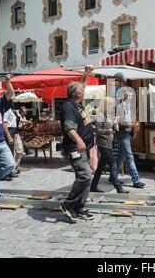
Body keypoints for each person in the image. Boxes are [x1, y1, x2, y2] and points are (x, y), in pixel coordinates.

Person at [59, 65, 95, 222]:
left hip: (83, 148)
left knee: (86, 178)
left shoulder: (76, 103)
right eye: (82, 90)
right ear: (77, 94)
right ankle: (68, 204)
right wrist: (79, 140)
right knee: (85, 176)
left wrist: (86, 74)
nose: (85, 90)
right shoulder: (69, 107)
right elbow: (69, 127)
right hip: (75, 148)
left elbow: (82, 85)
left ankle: (79, 208)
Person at [91, 97, 130, 194]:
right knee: (113, 165)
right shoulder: (100, 115)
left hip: (108, 143)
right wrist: (108, 131)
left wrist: (118, 124)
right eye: (110, 105)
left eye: (112, 105)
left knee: (100, 167)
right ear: (105, 105)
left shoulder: (109, 115)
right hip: (103, 144)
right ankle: (119, 188)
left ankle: (93, 186)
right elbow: (98, 131)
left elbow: (114, 127)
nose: (112, 107)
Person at [114, 88, 146, 189]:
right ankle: (136, 180)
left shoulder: (131, 106)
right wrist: (127, 125)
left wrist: (134, 123)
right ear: (124, 95)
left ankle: (113, 176)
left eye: (132, 96)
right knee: (129, 157)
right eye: (129, 95)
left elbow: (130, 118)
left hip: (128, 133)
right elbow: (116, 122)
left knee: (121, 156)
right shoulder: (118, 106)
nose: (131, 97)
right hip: (122, 134)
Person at [3, 104, 30, 178]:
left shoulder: (13, 110)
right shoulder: (6, 110)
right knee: (10, 152)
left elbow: (18, 119)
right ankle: (9, 171)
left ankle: (15, 167)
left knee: (20, 150)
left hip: (15, 131)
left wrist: (27, 121)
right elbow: (4, 123)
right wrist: (8, 136)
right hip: (9, 130)